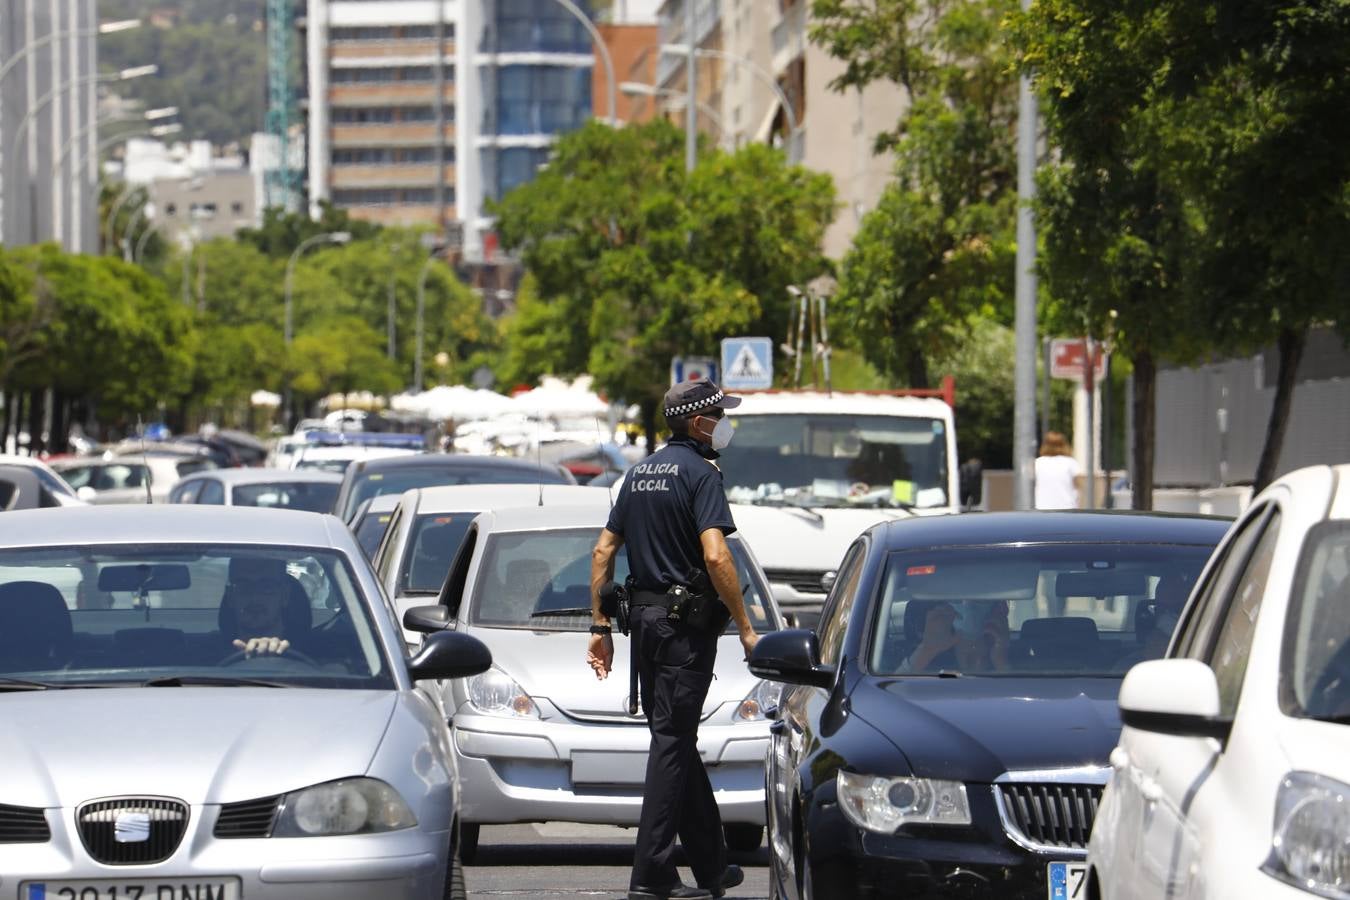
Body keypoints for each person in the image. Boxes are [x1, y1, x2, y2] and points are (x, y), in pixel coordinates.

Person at [588, 377, 759, 900]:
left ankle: (711, 866)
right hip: (685, 631)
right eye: (721, 415)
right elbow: (716, 555)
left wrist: (599, 628)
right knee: (671, 742)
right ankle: (653, 874)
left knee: (674, 738)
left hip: (643, 626)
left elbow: (601, 553)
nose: (726, 424)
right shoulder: (701, 475)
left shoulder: (637, 474)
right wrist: (748, 627)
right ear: (701, 423)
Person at [219, 557, 308, 658]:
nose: (255, 598)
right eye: (244, 587)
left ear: (285, 595)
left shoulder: (319, 657)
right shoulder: (205, 657)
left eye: (267, 587)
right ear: (230, 596)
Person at [1034, 431, 1081, 510]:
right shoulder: (1070, 462)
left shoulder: (1037, 462)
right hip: (1067, 507)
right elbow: (1078, 486)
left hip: (1042, 507)